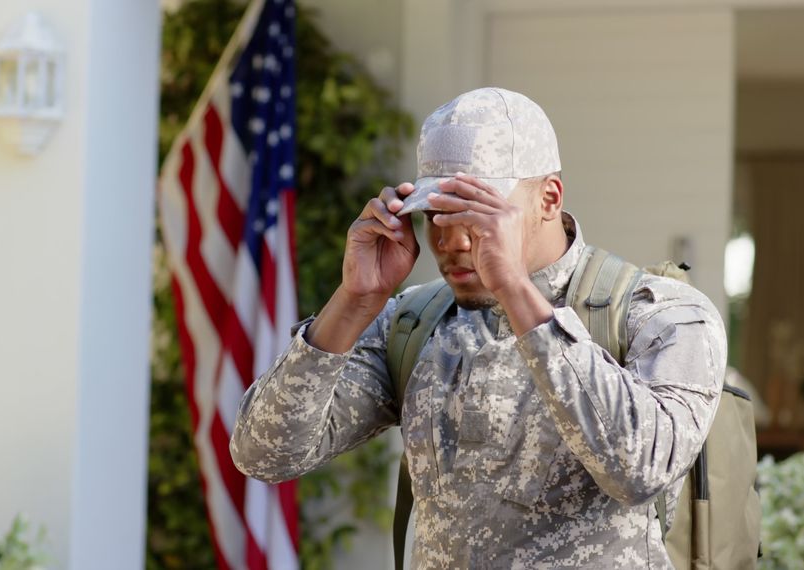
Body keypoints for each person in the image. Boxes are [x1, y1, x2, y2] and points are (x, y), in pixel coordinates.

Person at [230, 87, 727, 568]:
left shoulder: (660, 314)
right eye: (436, 215)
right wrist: (355, 302)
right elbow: (264, 454)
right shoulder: (413, 323)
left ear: (549, 198)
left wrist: (514, 289)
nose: (452, 241)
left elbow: (641, 469)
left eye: (477, 212)